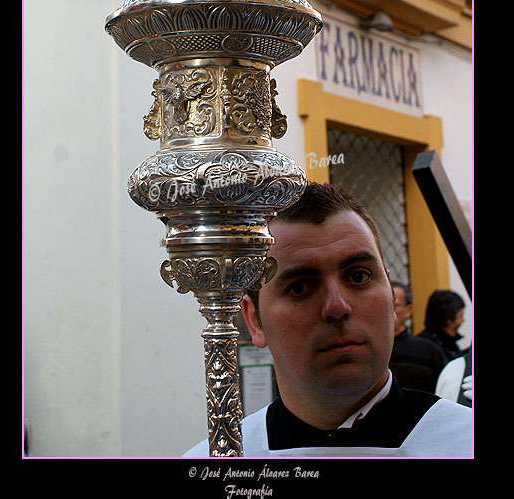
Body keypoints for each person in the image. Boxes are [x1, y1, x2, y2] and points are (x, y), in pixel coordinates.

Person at [184, 182, 472, 458]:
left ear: (392, 299)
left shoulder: (463, 441)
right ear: (254, 321)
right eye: (299, 287)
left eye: (359, 276)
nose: (337, 307)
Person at [389, 281, 449, 393]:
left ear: (408, 311)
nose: (387, 309)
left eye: (394, 305)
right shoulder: (365, 349)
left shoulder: (429, 352)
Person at [418, 289, 468, 360]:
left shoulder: (447, 345)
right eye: (460, 316)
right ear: (448, 320)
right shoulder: (430, 349)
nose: (463, 320)